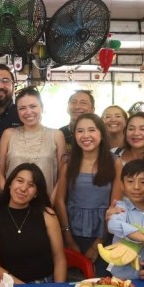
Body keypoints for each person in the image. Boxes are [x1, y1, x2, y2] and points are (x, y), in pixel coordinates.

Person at [54, 114, 122, 274]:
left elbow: (115, 206)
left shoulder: (115, 162)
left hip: (104, 234)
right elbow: (59, 201)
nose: (85, 135)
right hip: (71, 232)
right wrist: (68, 237)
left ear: (101, 134)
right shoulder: (68, 163)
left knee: (101, 280)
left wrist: (98, 243)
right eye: (80, 131)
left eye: (91, 130)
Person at [0, 163, 66, 284]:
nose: (23, 188)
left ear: (36, 193)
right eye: (20, 181)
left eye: (31, 185)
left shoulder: (48, 215)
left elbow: (59, 258)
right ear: (10, 184)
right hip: (13, 286)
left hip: (47, 284)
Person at [0, 87, 66, 195]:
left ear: (41, 108)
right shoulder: (8, 134)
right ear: (17, 111)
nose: (28, 112)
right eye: (22, 108)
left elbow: (62, 175)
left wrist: (51, 201)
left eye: (33, 106)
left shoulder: (56, 135)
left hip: (46, 201)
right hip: (12, 201)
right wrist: (7, 197)